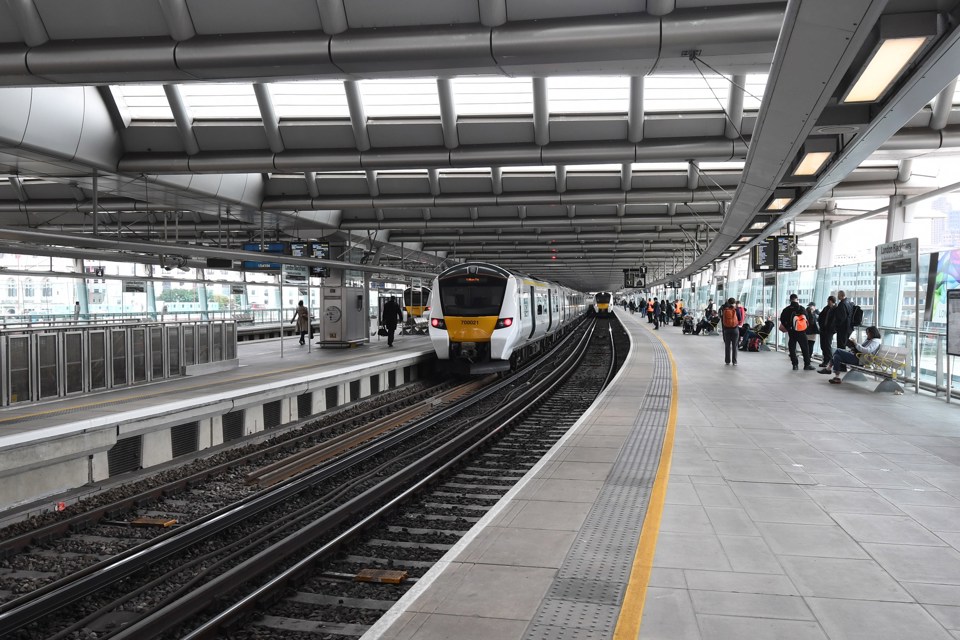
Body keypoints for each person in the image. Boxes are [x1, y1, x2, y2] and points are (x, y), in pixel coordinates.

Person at [779, 293, 814, 370]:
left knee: (792, 347)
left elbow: (782, 319)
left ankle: (795, 364)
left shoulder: (786, 309)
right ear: (797, 299)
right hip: (801, 331)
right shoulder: (801, 308)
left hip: (791, 331)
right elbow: (806, 319)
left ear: (790, 300)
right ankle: (807, 364)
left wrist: (788, 327)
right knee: (805, 348)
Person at [817, 296, 837, 371]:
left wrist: (833, 328)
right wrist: (821, 325)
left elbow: (835, 320)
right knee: (823, 345)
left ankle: (830, 361)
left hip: (830, 330)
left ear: (832, 301)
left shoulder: (835, 309)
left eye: (828, 301)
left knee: (827, 345)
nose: (827, 302)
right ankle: (825, 360)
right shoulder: (826, 308)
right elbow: (820, 317)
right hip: (823, 329)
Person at [719, 297, 740, 365]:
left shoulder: (725, 310)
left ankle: (727, 361)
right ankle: (734, 362)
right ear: (734, 303)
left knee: (727, 346)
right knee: (735, 346)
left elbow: (722, 318)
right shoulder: (736, 310)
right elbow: (739, 318)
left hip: (727, 330)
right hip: (735, 329)